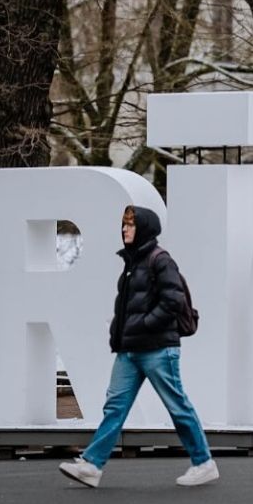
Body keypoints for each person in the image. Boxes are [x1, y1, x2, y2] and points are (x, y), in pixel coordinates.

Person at [59, 204, 218, 489]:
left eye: (130, 225)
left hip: (157, 348)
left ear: (144, 228)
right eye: (123, 224)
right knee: (115, 407)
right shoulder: (132, 264)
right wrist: (120, 329)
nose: (124, 229)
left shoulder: (161, 260)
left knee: (177, 405)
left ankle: (204, 462)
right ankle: (92, 466)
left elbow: (173, 300)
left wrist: (144, 324)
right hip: (130, 350)